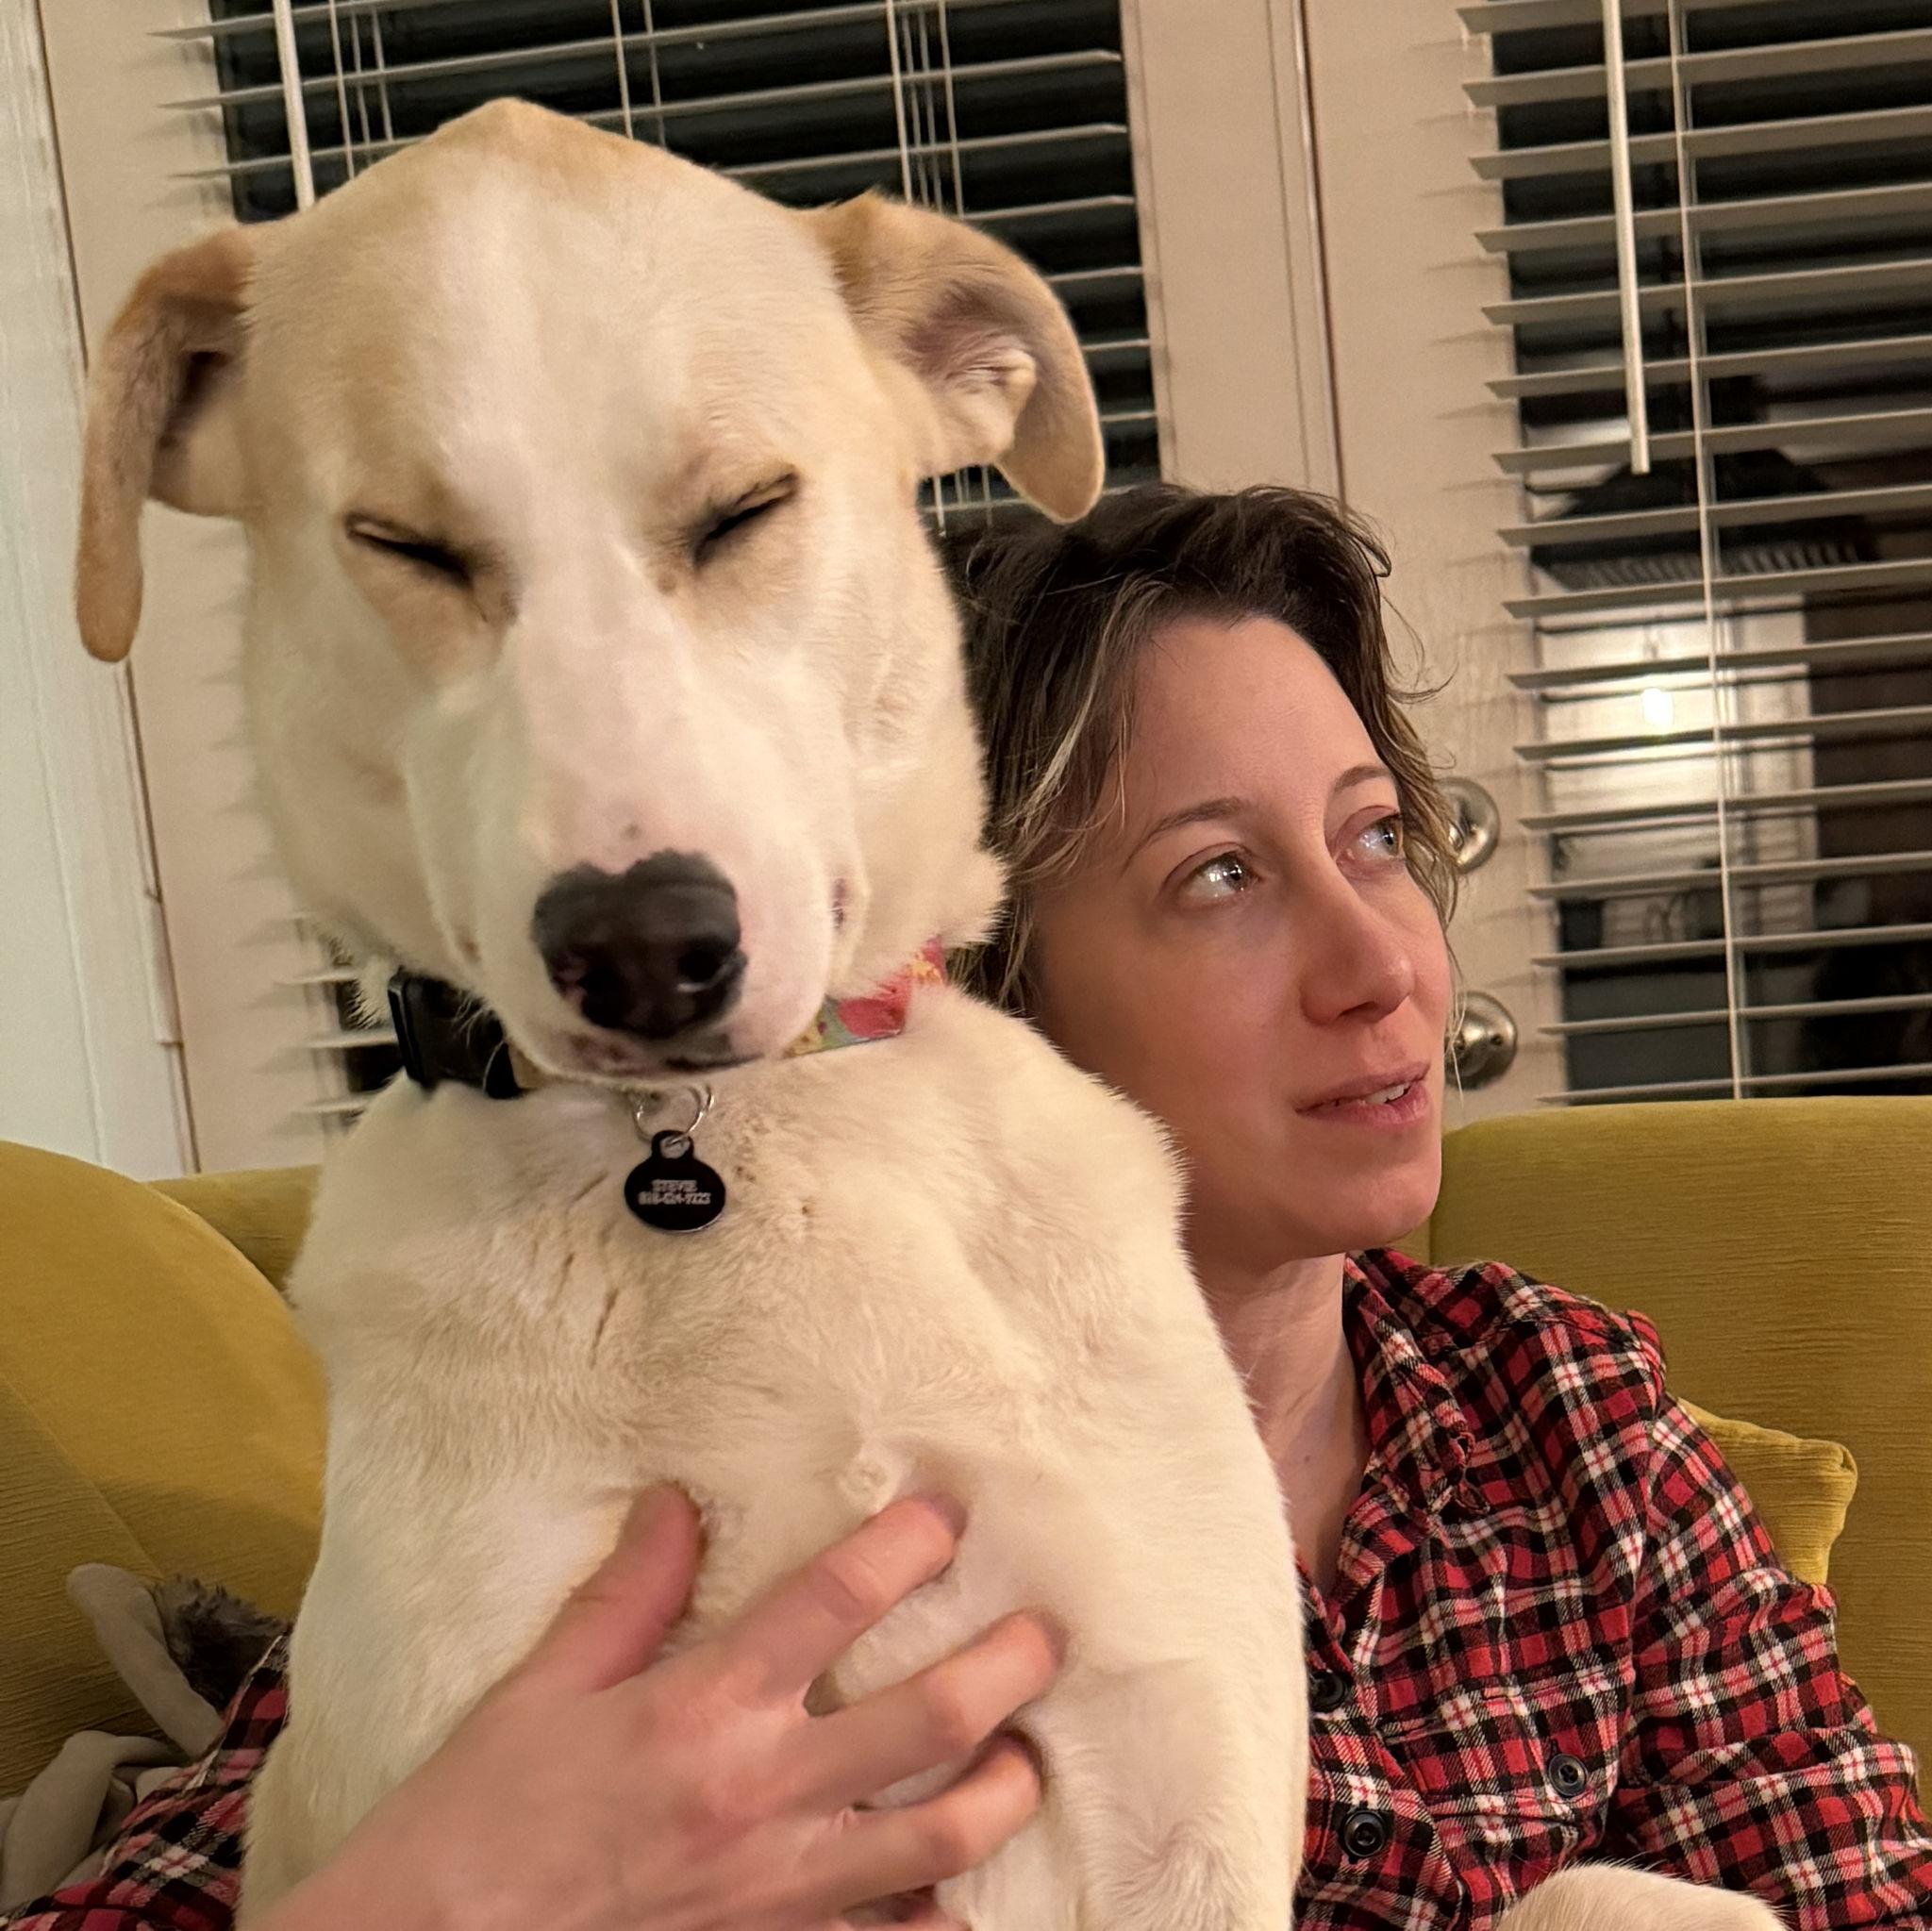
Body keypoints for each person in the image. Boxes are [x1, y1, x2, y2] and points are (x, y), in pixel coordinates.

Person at [8, 483, 1929, 1931]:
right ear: (972, 986)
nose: (1384, 968)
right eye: (1217, 877)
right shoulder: (695, 1470)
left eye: (1372, 839)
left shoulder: (1556, 1413)